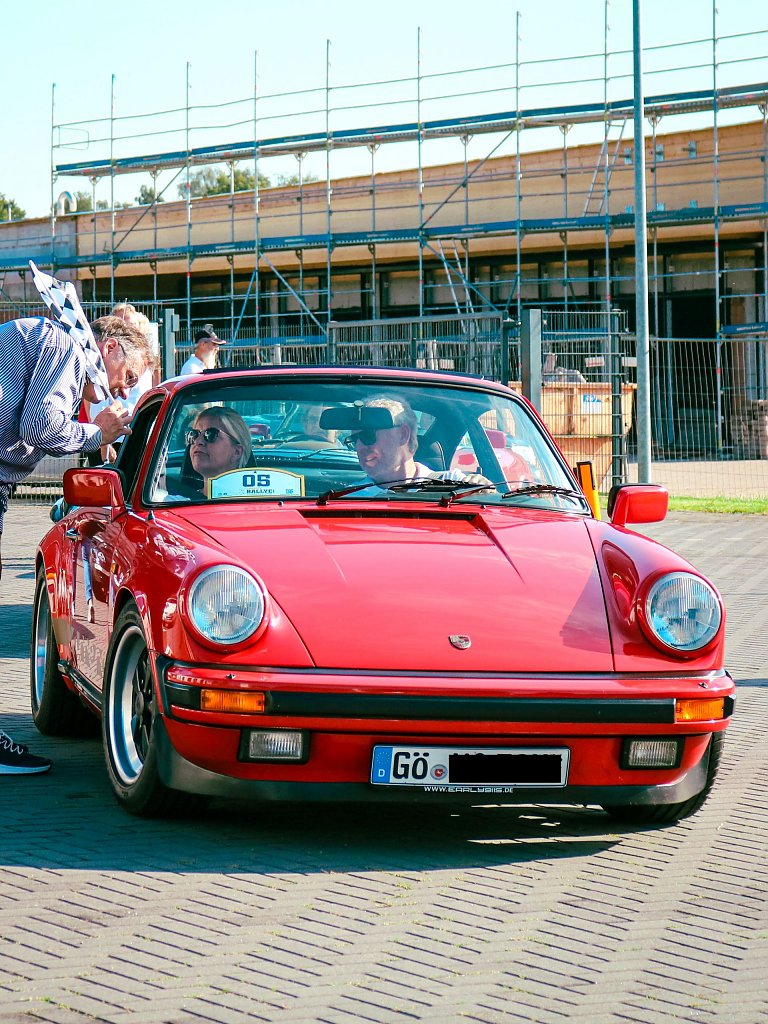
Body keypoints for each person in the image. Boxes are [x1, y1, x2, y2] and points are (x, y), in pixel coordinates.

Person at [0, 314, 153, 775]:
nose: (121, 390)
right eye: (129, 377)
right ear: (110, 348)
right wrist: (97, 433)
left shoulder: (48, 338)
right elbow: (40, 427)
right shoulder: (66, 345)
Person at [350, 394, 493, 492]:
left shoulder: (455, 486)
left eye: (368, 435)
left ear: (403, 435)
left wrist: (485, 490)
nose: (359, 447)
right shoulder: (349, 498)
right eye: (354, 440)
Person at [186, 406, 252, 494]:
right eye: (194, 434)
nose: (198, 441)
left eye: (211, 434)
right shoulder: (176, 500)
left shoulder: (257, 502)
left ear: (237, 452)